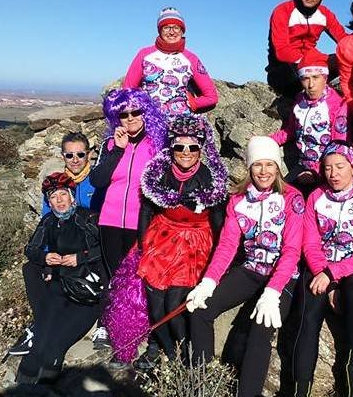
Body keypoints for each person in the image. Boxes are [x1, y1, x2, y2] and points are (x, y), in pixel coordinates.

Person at [186, 136, 304, 397]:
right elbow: (227, 246)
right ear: (249, 168)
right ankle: (201, 385)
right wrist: (208, 282)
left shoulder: (292, 198)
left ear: (278, 167)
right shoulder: (238, 200)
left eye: (269, 164)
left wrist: (272, 293)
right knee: (201, 310)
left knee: (261, 327)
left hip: (284, 276)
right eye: (257, 165)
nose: (264, 171)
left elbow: (291, 250)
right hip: (252, 268)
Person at [103, 114, 228, 368]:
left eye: (192, 147)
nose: (186, 153)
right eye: (179, 147)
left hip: (194, 243)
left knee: (173, 304)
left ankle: (186, 357)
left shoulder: (210, 180)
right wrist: (143, 246)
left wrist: (220, 261)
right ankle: (170, 354)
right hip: (162, 240)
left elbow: (218, 223)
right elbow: (147, 211)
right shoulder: (159, 173)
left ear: (201, 149)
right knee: (155, 304)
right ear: (171, 147)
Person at [291, 140, 353, 397]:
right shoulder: (316, 197)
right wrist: (326, 278)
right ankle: (300, 390)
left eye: (340, 167)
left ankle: (350, 367)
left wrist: (333, 274)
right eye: (327, 167)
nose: (333, 173)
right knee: (308, 313)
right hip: (319, 267)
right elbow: (309, 244)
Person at [89, 88, 166, 349]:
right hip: (109, 221)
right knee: (114, 276)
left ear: (146, 113)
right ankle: (109, 325)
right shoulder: (110, 144)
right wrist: (118, 151)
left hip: (140, 223)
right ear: (116, 117)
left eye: (136, 112)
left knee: (135, 277)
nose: (130, 118)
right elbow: (97, 180)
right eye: (124, 114)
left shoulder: (157, 145)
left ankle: (134, 326)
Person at [15, 172, 106, 384]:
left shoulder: (88, 218)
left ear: (72, 197)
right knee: (42, 335)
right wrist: (45, 257)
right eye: (53, 197)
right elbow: (31, 249)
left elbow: (106, 248)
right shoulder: (49, 221)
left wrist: (80, 258)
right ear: (49, 203)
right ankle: (22, 386)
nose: (59, 200)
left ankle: (46, 382)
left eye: (63, 194)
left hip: (86, 289)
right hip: (60, 285)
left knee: (57, 340)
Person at [271, 51, 348, 197]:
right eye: (305, 78)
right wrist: (268, 141)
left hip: (328, 169)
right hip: (302, 165)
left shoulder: (336, 104)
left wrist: (316, 171)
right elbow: (291, 131)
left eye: (316, 77)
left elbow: (339, 146)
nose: (311, 84)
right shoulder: (300, 100)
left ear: (325, 77)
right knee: (279, 195)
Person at [266, 0, 346, 98]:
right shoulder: (282, 11)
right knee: (295, 75)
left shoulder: (325, 14)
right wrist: (317, 61)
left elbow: (345, 41)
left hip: (312, 64)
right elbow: (282, 51)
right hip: (284, 69)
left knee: (344, 59)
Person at [123, 7, 218, 116]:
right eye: (166, 28)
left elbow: (211, 97)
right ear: (160, 31)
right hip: (151, 119)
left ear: (182, 31)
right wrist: (142, 103)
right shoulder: (144, 54)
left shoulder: (191, 58)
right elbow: (127, 90)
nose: (172, 32)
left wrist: (192, 103)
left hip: (182, 120)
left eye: (176, 28)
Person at [41, 132, 99, 215]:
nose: (75, 160)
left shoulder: (99, 180)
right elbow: (46, 216)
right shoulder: (55, 183)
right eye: (69, 155)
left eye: (80, 154)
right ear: (63, 156)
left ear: (89, 155)